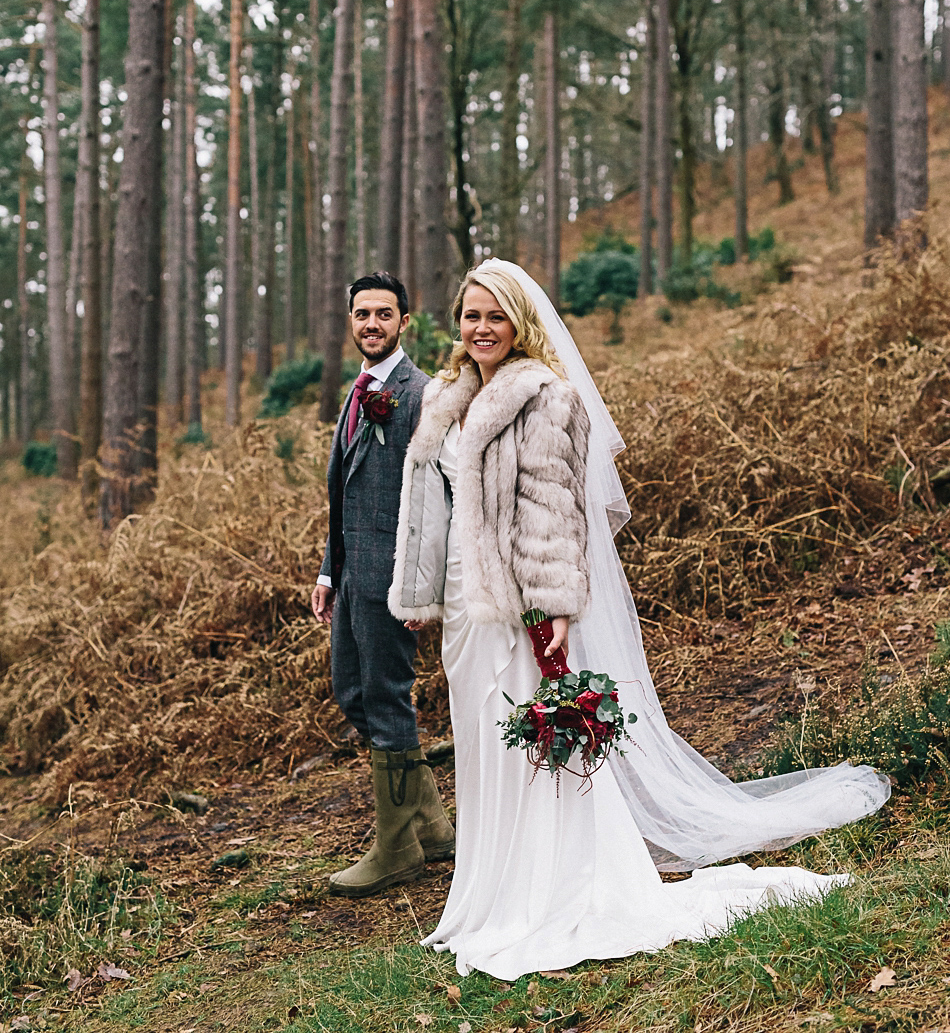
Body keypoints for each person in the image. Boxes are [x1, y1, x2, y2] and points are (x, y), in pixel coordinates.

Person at [388, 259, 890, 981]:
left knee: (538, 747)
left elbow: (555, 507)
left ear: (521, 323)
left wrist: (556, 605)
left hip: (524, 599)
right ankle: (490, 889)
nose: (482, 328)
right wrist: (420, 591)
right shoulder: (448, 396)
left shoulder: (547, 397)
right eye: (471, 315)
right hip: (465, 610)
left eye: (496, 315)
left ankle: (555, 886)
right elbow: (431, 503)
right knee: (482, 746)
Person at [312, 271, 455, 898]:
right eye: (362, 313)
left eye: (384, 314)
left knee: (387, 697)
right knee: (353, 694)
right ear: (352, 320)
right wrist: (327, 570)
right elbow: (343, 490)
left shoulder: (420, 393)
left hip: (396, 580)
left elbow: (441, 499)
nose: (371, 324)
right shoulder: (360, 388)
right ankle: (431, 826)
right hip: (351, 578)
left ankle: (396, 847)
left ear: (405, 322)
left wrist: (425, 588)